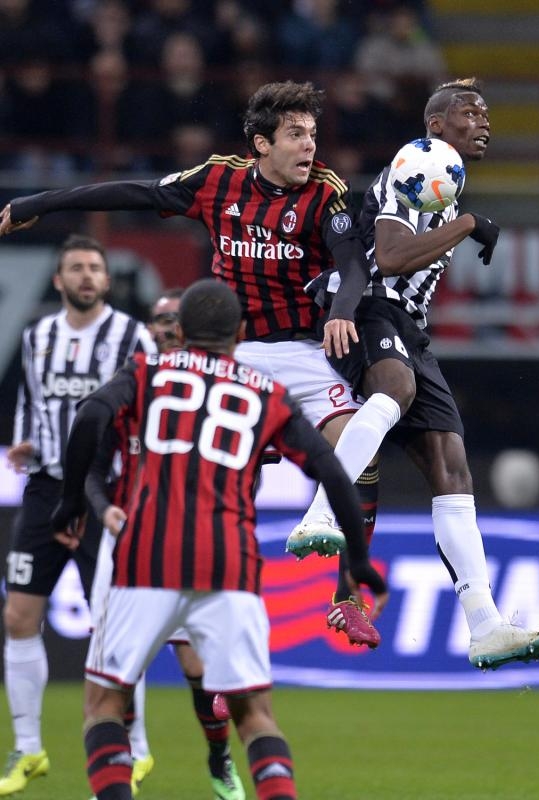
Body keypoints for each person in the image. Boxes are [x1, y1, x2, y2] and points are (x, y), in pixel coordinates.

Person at [0, 79, 388, 649]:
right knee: (217, 470)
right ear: (261, 144)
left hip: (306, 351)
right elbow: (132, 193)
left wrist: (344, 311)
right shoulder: (216, 180)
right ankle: (198, 587)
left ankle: (347, 597)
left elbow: (353, 264)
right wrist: (39, 203)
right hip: (238, 354)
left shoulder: (325, 192)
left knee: (360, 445)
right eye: (295, 135)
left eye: (311, 133)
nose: (309, 145)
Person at [51, 278, 388, 800]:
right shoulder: (264, 392)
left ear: (182, 330)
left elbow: (91, 415)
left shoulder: (147, 372)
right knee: (256, 718)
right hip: (230, 562)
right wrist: (358, 562)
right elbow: (332, 468)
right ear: (241, 332)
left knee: (104, 707)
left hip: (146, 556)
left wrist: (72, 501)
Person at [290, 77, 539, 671]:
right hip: (368, 306)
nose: (483, 122)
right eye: (470, 112)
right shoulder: (423, 158)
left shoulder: (444, 172)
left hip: (406, 323)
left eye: (486, 114)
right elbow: (388, 258)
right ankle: (321, 512)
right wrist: (466, 225)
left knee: (452, 466)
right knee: (397, 387)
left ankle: (485, 625)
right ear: (436, 124)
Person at [0, 234, 156, 797]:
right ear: (59, 279)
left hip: (106, 493)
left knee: (112, 628)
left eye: (94, 267)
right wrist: (24, 442)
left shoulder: (133, 337)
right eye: (76, 267)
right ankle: (28, 748)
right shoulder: (37, 335)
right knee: (18, 616)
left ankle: (135, 749)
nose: (86, 275)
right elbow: (30, 403)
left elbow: (149, 413)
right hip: (45, 490)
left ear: (107, 280)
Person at [86, 286, 245, 800]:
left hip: (192, 542)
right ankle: (129, 757)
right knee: (116, 663)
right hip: (129, 543)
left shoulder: (217, 388)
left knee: (196, 667)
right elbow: (95, 464)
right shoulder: (130, 385)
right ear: (150, 330)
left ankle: (219, 758)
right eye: (160, 320)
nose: (168, 328)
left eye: (177, 319)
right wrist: (99, 507)